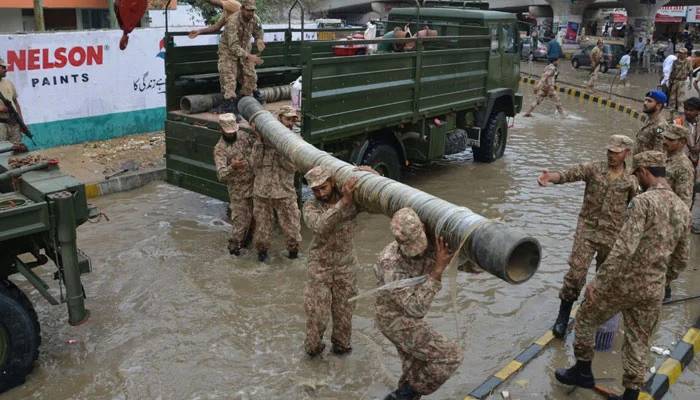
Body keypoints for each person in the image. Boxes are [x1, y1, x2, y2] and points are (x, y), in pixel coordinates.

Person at [555, 150, 689, 400]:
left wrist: (599, 281)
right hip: (653, 288)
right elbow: (681, 259)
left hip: (624, 283)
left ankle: (583, 371)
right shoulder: (682, 208)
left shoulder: (643, 202)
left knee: (585, 317)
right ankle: (630, 395)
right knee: (639, 341)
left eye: (637, 174)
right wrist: (663, 280)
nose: (636, 179)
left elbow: (623, 248)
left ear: (645, 172)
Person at [537, 135, 637, 339]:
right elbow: (569, 174)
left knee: (604, 280)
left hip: (613, 235)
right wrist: (551, 177)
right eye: (609, 151)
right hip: (588, 230)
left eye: (616, 152)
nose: (611, 155)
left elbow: (637, 208)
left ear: (626, 153)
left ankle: (591, 318)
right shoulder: (594, 168)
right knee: (575, 274)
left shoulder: (631, 180)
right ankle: (563, 317)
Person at [374, 207, 464, 400]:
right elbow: (416, 309)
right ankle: (402, 395)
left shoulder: (429, 241)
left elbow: (460, 258)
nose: (418, 250)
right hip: (395, 320)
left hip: (407, 315)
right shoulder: (390, 264)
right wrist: (438, 271)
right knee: (450, 356)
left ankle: (406, 393)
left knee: (414, 370)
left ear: (422, 227)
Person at [302, 165, 377, 356]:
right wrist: (343, 202)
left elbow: (376, 200)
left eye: (323, 188)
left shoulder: (352, 199)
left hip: (346, 266)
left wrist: (373, 175)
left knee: (344, 317)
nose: (320, 193)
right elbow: (320, 226)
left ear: (332, 182)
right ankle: (313, 355)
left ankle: (341, 358)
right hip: (320, 266)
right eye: (315, 190)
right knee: (317, 316)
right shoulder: (310, 206)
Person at [251, 106, 302, 261]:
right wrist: (260, 142)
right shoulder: (263, 140)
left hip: (285, 192)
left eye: (293, 120)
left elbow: (293, 167)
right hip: (262, 192)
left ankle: (293, 256)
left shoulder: (296, 141)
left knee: (292, 231)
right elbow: (254, 164)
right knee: (262, 232)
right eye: (287, 119)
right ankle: (262, 258)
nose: (290, 124)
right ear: (279, 119)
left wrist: (281, 147)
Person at [213, 113, 257, 255]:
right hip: (238, 191)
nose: (232, 135)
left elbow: (257, 145)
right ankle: (234, 251)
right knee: (240, 223)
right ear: (221, 130)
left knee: (254, 221)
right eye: (228, 133)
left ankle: (247, 247)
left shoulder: (243, 136)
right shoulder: (220, 149)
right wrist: (233, 167)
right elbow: (221, 175)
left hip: (253, 185)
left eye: (233, 132)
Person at [216, 0, 264, 114]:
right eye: (248, 10)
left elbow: (259, 31)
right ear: (242, 8)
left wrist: (259, 39)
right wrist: (248, 56)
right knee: (229, 77)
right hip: (228, 51)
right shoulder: (232, 21)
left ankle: (245, 100)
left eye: (253, 10)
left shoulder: (255, 18)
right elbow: (233, 46)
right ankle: (229, 105)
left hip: (245, 49)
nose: (251, 13)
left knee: (251, 76)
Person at [663, 124, 694, 208]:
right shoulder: (663, 157)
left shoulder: (683, 166)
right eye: (665, 137)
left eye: (670, 139)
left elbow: (684, 201)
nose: (665, 141)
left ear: (682, 142)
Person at [633, 90, 669, 154]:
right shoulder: (648, 119)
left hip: (648, 163)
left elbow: (659, 153)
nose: (645, 103)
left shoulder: (660, 126)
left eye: (649, 101)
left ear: (658, 106)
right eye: (645, 100)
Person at [0, 57, 23, 145]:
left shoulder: (8, 83)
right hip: (1, 125)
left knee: (17, 149)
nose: (6, 70)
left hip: (13, 122)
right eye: (3, 67)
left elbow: (16, 103)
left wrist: (21, 121)